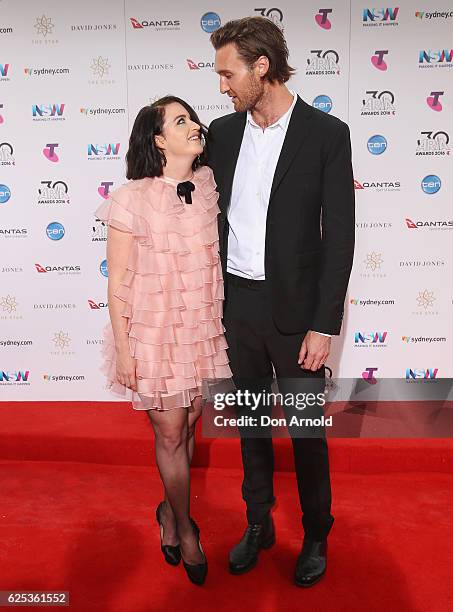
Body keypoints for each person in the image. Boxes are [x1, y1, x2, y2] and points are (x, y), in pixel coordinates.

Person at [208, 17, 355, 587]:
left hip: (297, 317)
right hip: (237, 306)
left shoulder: (326, 134)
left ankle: (317, 532)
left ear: (260, 66)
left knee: (305, 432)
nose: (222, 86)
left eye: (228, 73)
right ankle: (258, 523)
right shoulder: (221, 134)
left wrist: (325, 324)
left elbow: (338, 236)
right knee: (248, 426)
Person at [95, 96, 232, 586]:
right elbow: (116, 284)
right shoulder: (130, 198)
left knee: (190, 425)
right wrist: (126, 351)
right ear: (157, 140)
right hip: (151, 334)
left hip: (198, 329)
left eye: (192, 118)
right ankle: (188, 529)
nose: (194, 125)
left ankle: (169, 515)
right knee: (170, 433)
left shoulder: (208, 185)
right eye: (180, 121)